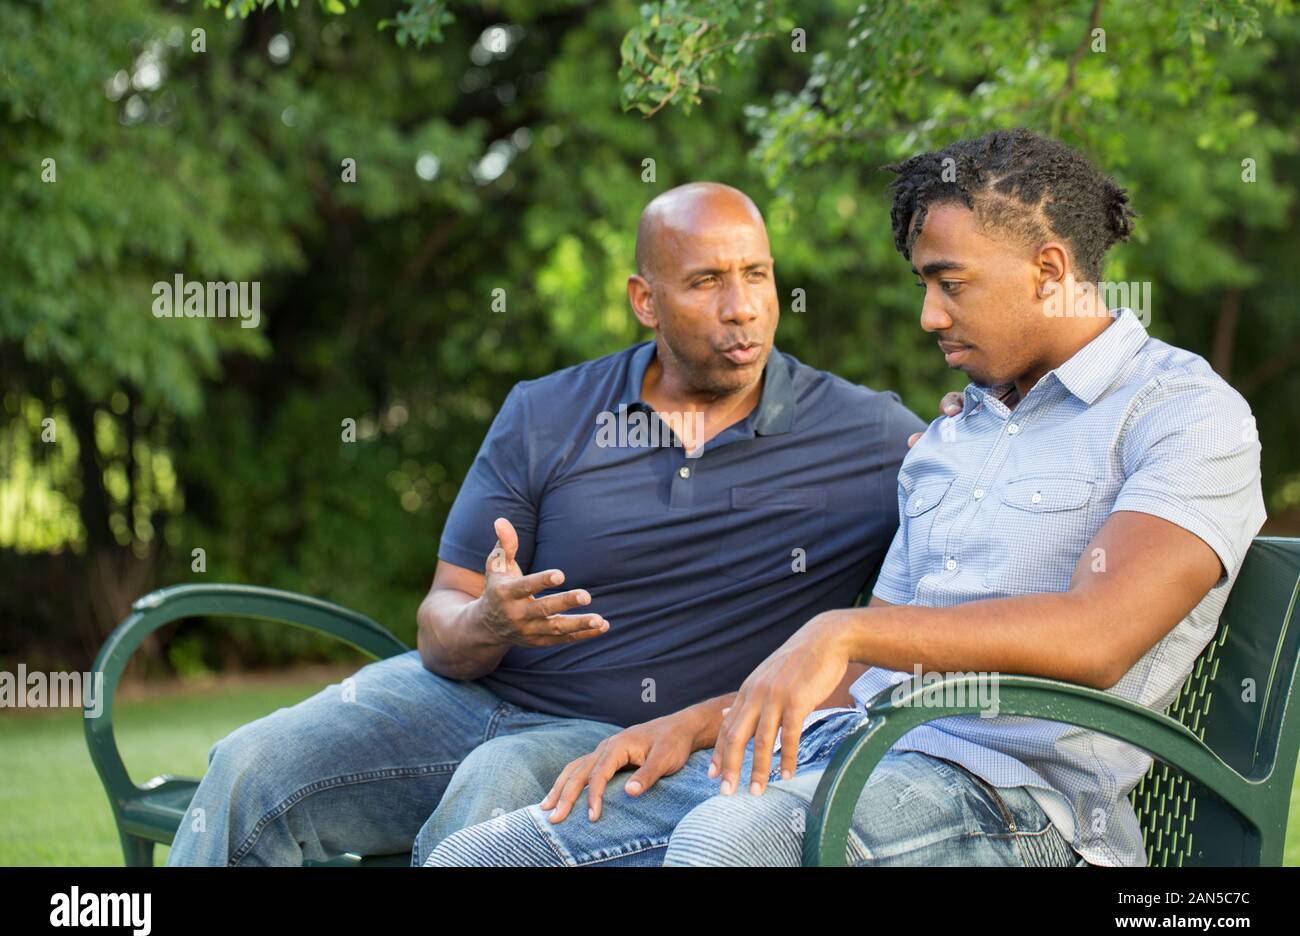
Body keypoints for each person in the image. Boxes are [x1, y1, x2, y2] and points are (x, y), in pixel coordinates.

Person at [424, 128, 1266, 868]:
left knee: (728, 843)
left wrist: (846, 624)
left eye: (951, 284)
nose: (930, 317)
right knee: (492, 851)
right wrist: (694, 722)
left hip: (1015, 805)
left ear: (1050, 270)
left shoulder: (1179, 415)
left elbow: (1101, 634)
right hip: (846, 755)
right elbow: (863, 674)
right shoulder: (955, 435)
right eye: (922, 287)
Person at [166, 181, 933, 866]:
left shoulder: (865, 436)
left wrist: (975, 427)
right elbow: (439, 620)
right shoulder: (547, 412)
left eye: (756, 275)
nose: (742, 307)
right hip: (460, 699)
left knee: (492, 791)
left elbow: (970, 516)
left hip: (629, 738)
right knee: (250, 766)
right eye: (706, 281)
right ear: (645, 300)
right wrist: (490, 620)